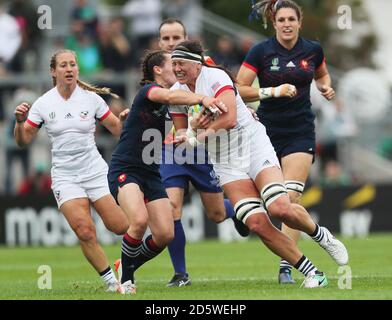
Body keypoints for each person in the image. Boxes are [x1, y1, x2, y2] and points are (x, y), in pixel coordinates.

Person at [169, 40, 349, 288]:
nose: (176, 68)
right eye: (174, 63)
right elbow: (182, 134)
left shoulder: (216, 78)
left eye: (181, 63)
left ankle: (321, 235)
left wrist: (196, 135)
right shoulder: (176, 94)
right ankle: (314, 273)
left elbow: (230, 119)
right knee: (255, 222)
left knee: (280, 208)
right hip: (224, 160)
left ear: (197, 63)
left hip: (251, 145)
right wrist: (188, 134)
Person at [107, 49, 227, 294]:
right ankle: (126, 281)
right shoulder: (149, 91)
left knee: (164, 234)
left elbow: (179, 133)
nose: (179, 69)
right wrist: (202, 98)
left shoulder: (173, 103)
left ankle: (126, 264)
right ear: (158, 70)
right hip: (126, 168)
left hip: (152, 172)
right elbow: (169, 98)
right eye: (174, 65)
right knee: (139, 221)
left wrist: (193, 128)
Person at [236, 0, 339, 284]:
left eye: (291, 19)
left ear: (299, 22)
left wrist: (325, 86)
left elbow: (322, 74)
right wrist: (273, 91)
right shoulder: (261, 51)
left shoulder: (313, 50)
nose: (286, 24)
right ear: (275, 22)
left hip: (300, 131)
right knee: (268, 204)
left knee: (290, 199)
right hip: (265, 132)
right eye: (281, 20)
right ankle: (243, 211)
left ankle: (287, 265)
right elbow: (239, 89)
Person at [13, 49, 129, 293]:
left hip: (94, 170)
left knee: (120, 226)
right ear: (53, 71)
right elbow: (23, 141)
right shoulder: (44, 103)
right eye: (63, 65)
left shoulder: (91, 99)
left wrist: (126, 119)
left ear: (77, 69)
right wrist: (19, 122)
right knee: (84, 230)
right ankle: (111, 283)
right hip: (66, 176)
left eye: (73, 64)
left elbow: (117, 129)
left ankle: (125, 264)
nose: (69, 69)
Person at [158, 18, 249, 287]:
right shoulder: (154, 68)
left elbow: (229, 97)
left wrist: (243, 109)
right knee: (172, 207)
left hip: (203, 146)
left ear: (187, 39)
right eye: (166, 38)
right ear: (159, 41)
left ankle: (241, 210)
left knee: (216, 213)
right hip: (171, 148)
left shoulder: (205, 68)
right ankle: (180, 274)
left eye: (177, 37)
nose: (171, 43)